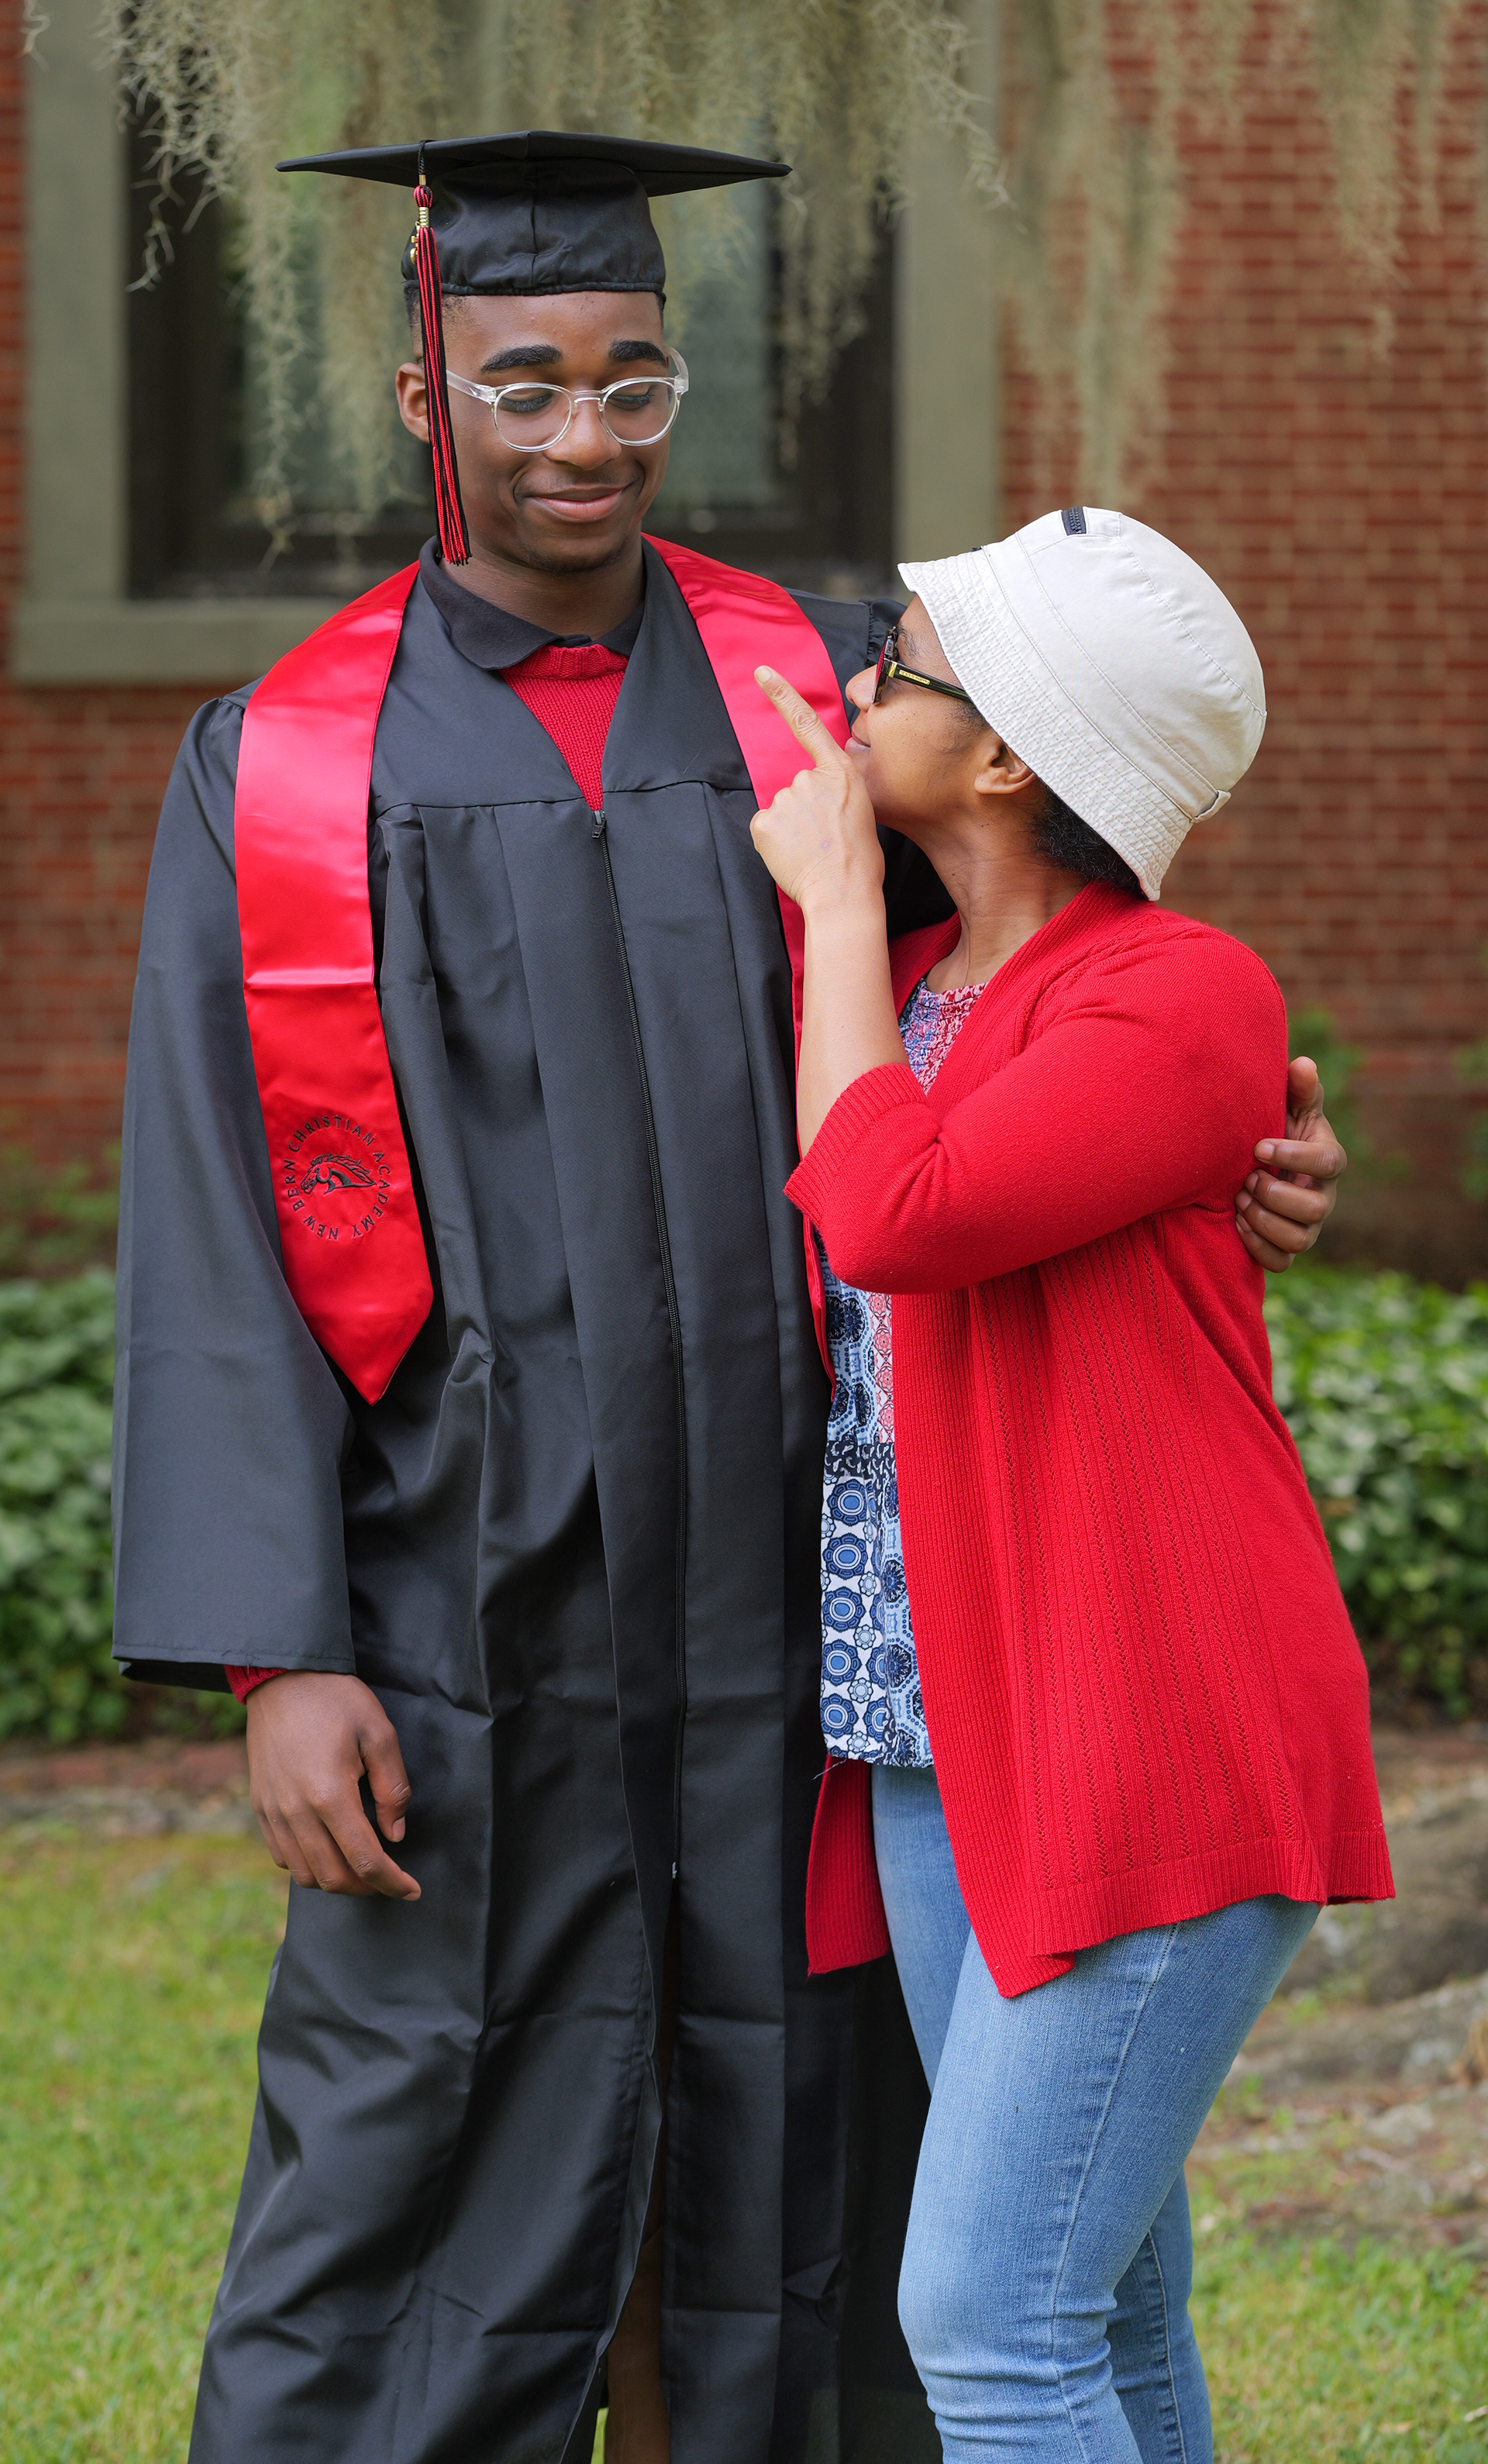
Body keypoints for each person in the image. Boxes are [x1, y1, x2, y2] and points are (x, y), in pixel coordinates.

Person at [111, 123, 1345, 2464]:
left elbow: (1057, 986)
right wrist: (282, 1650)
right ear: (425, 396)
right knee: (418, 2132)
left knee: (815, 2149)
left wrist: (1245, 1152)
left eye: (634, 380)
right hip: (470, 1595)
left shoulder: (824, 689)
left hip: (820, 1601)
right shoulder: (284, 763)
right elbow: (216, 1216)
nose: (584, 434)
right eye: (525, 383)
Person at [748, 506, 1393, 2462]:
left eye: (900, 660)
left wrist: (831, 907)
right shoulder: (918, 984)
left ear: (1012, 756)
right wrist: (853, 937)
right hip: (943, 1725)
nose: (856, 683)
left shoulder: (1178, 990)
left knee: (991, 2317)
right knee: (1098, 2301)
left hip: (1148, 1717)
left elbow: (897, 1211)